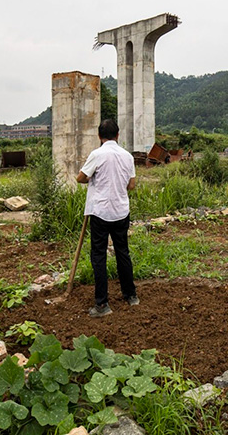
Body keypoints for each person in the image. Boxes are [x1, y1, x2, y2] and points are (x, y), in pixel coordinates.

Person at [76, 119, 138, 317]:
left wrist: (91, 178)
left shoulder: (97, 154)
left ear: (99, 136)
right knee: (123, 253)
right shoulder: (127, 156)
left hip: (101, 213)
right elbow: (132, 185)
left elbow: (80, 178)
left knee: (99, 256)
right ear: (117, 135)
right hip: (121, 212)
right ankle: (131, 296)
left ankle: (102, 304)